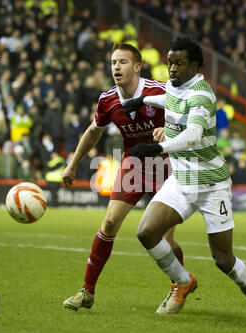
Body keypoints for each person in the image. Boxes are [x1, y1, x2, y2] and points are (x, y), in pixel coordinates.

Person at [123, 36, 246, 324]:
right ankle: (182, 281)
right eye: (169, 62)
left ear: (195, 65)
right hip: (181, 179)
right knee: (147, 232)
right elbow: (167, 96)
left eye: (179, 63)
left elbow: (192, 135)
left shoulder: (202, 95)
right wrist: (141, 99)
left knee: (223, 259)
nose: (172, 68)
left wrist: (157, 148)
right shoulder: (175, 85)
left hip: (210, 184)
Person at [62, 43, 185, 312]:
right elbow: (94, 131)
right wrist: (72, 166)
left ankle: (179, 285)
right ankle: (87, 291)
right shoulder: (107, 100)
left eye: (122, 62)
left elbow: (188, 117)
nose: (116, 67)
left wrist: (169, 128)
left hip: (167, 165)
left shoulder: (160, 90)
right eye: (113, 62)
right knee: (108, 223)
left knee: (165, 239)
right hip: (134, 165)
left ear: (137, 66)